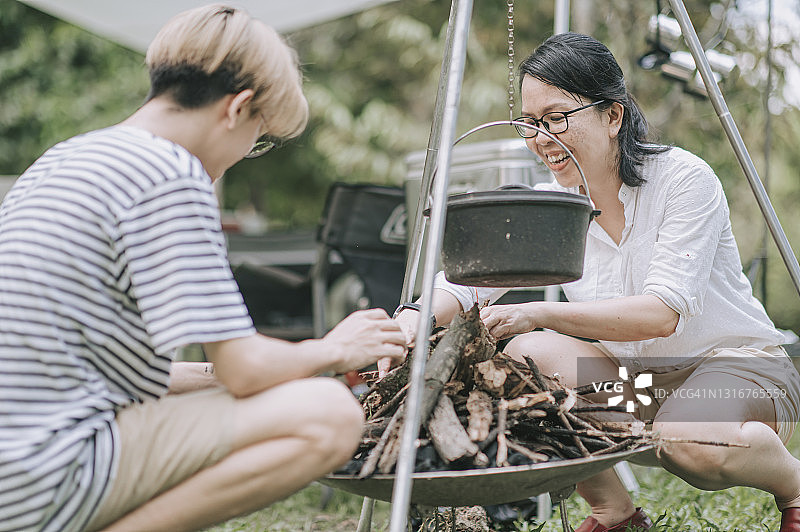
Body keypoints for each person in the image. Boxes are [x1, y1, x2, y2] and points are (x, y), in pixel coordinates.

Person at [0, 4, 407, 532]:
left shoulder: (63, 161)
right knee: (328, 414)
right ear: (237, 108)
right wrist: (335, 348)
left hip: (14, 470)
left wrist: (270, 369)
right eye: (259, 135)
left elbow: (117, 372)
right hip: (46, 477)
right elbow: (244, 370)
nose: (247, 151)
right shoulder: (169, 173)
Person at [387, 32, 800, 532]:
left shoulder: (683, 179)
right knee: (526, 356)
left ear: (613, 116)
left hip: (737, 370)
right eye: (530, 123)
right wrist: (407, 323)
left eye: (557, 117)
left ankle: (795, 487)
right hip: (640, 391)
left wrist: (538, 312)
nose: (542, 138)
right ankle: (615, 514)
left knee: (688, 436)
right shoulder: (552, 206)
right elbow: (467, 282)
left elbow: (661, 314)